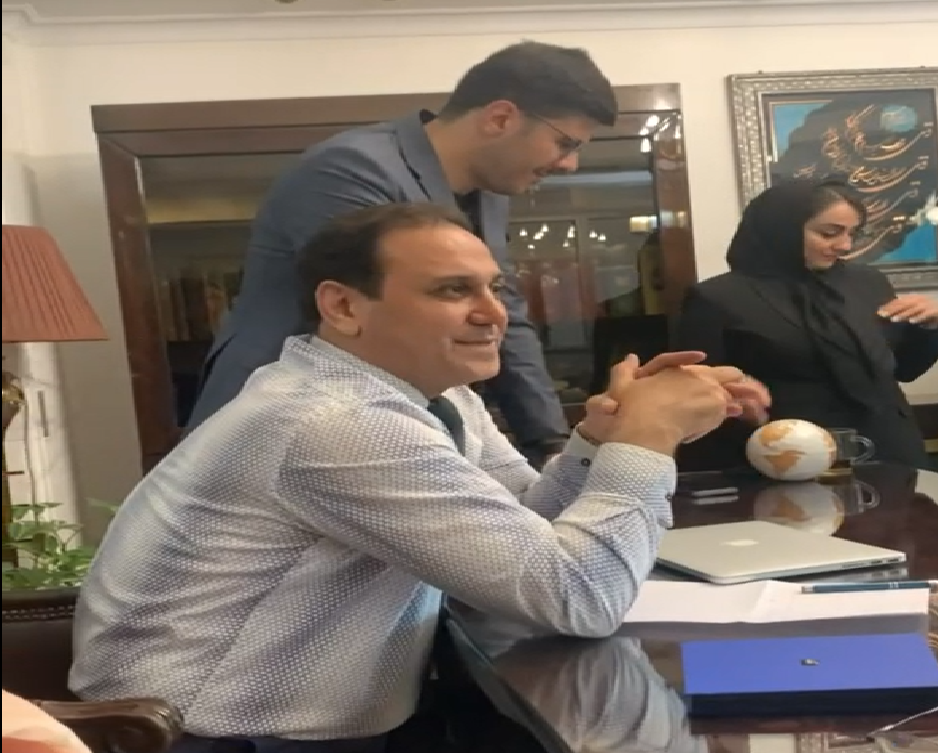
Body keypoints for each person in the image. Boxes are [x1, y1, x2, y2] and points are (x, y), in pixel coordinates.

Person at [70, 203, 769, 753]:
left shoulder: (433, 393)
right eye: (452, 290)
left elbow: (521, 525)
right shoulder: (336, 420)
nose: (493, 313)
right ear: (344, 306)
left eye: (495, 287)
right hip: (210, 738)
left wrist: (601, 438)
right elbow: (579, 596)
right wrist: (648, 438)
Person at [186, 40, 621, 466]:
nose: (569, 165)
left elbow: (504, 314)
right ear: (500, 118)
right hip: (290, 430)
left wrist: (548, 441)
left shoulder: (490, 191)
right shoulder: (351, 169)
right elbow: (387, 327)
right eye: (566, 143)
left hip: (383, 415)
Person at [675, 179, 938, 469]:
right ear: (781, 228)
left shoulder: (867, 283)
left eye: (852, 233)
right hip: (790, 456)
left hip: (889, 448)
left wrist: (929, 327)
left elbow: (904, 369)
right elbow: (697, 387)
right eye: (829, 233)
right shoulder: (718, 297)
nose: (845, 246)